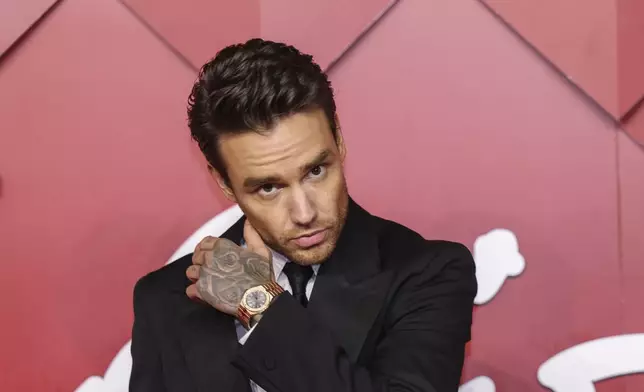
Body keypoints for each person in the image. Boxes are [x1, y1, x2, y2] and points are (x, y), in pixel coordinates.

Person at [130, 38, 477, 392]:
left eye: (316, 171)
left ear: (338, 139)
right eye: (268, 188)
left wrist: (259, 302)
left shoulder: (429, 272)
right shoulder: (165, 299)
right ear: (224, 182)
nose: (305, 212)